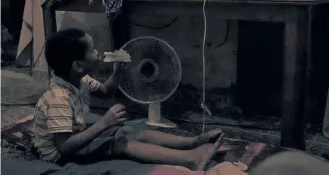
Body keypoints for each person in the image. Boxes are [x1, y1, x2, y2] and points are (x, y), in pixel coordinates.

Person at [33, 28, 223, 170]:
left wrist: (118, 70)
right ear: (78, 66)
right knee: (121, 142)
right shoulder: (58, 98)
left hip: (76, 135)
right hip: (59, 156)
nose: (98, 52)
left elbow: (106, 91)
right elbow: (65, 147)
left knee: (127, 130)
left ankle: (192, 143)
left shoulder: (80, 79)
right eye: (92, 50)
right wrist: (103, 124)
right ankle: (191, 160)